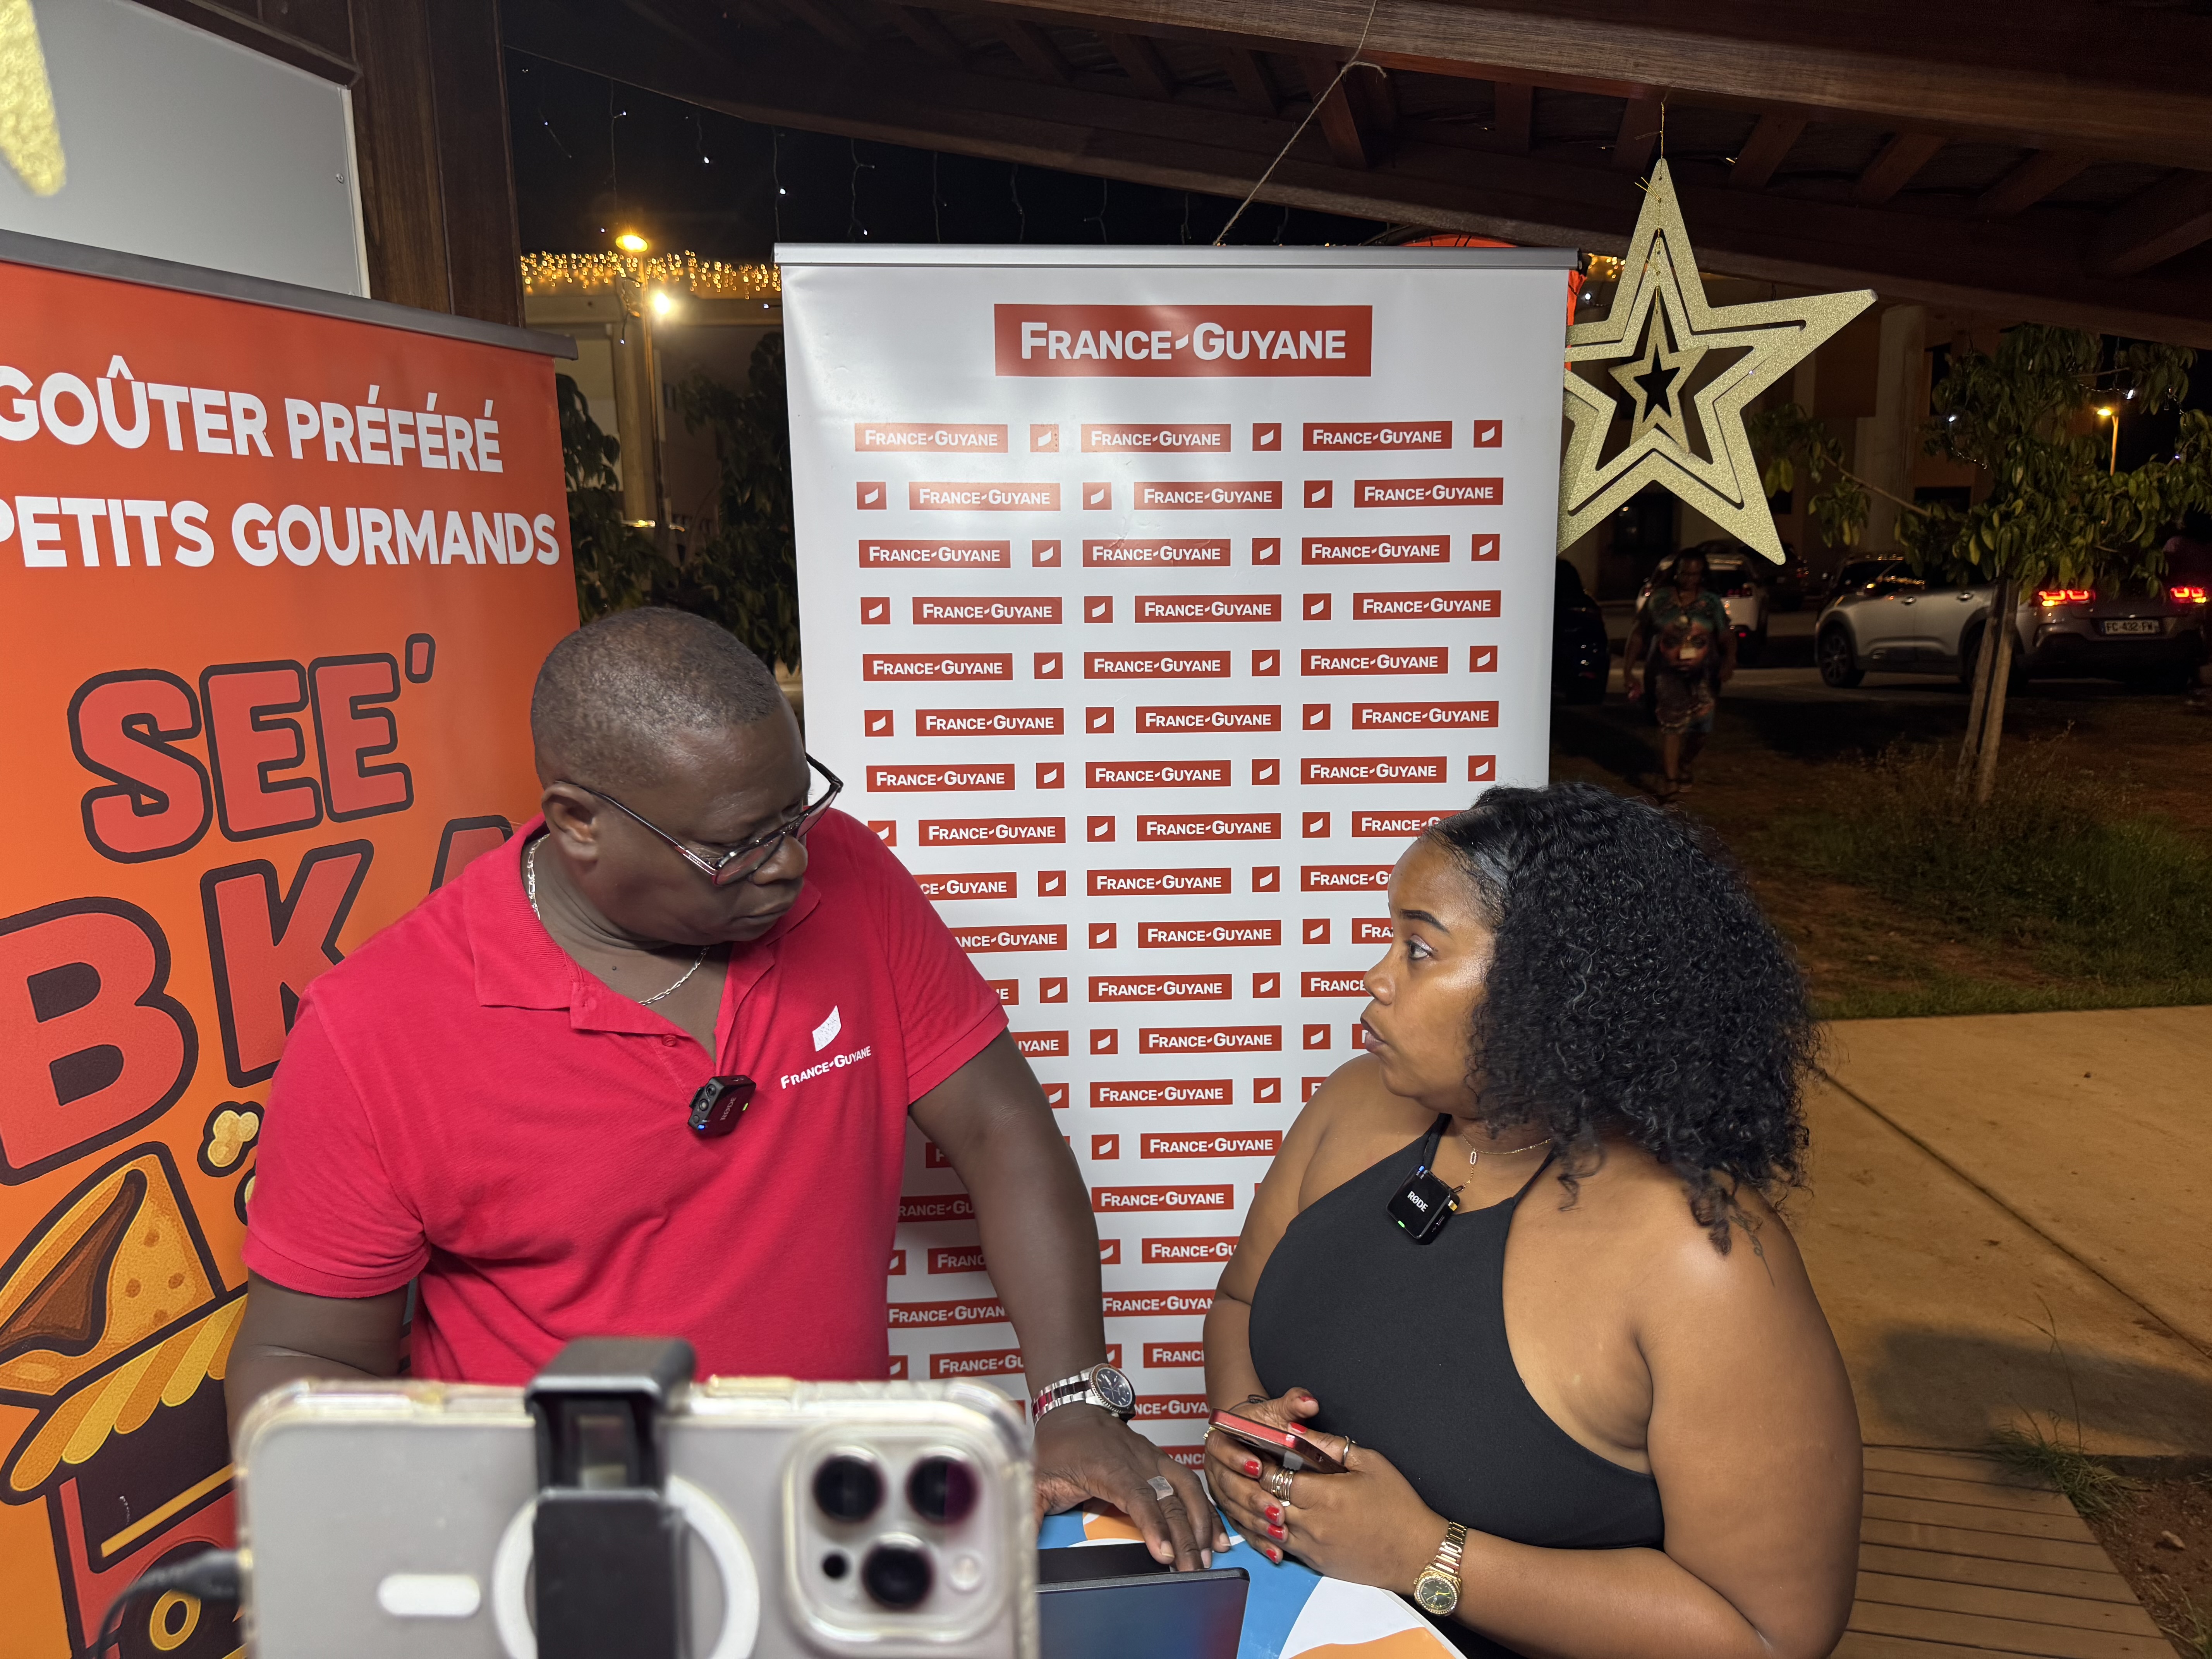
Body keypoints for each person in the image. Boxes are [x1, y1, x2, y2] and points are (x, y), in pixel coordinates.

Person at [228, 608, 1222, 1568]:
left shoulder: (852, 880)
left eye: (796, 813)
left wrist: (1073, 1402)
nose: (790, 863)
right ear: (579, 823)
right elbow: (306, 1363)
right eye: (738, 844)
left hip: (838, 1529)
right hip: (564, 1558)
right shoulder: (377, 1027)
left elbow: (1001, 1132)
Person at [1202, 784, 1860, 1658]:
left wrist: (1426, 1554)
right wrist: (1247, 1436)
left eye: (1419, 949)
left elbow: (1770, 1634)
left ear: (1554, 986)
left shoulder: (1702, 1257)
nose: (1376, 978)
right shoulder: (1352, 1105)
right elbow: (1241, 1303)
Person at [1622, 549, 1736, 798]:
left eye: (1695, 575)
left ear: (1702, 575)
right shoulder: (1660, 600)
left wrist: (1729, 660)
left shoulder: (1710, 603)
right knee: (1672, 725)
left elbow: (1726, 634)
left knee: (1702, 729)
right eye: (1685, 574)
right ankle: (1671, 781)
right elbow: (1639, 633)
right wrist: (1628, 670)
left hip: (1703, 675)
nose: (1689, 580)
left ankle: (1685, 762)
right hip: (1667, 673)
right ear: (1676, 573)